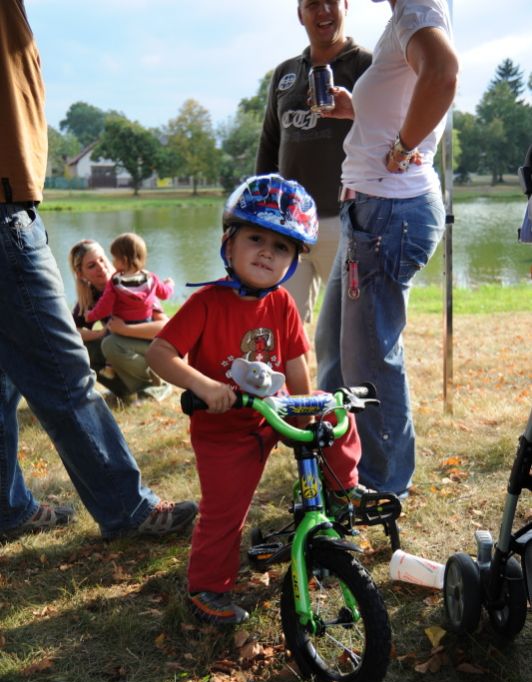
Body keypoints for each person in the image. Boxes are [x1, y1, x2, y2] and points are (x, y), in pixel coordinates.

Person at [0, 0, 197, 541]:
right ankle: (127, 510)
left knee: (2, 380)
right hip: (4, 212)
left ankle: (6, 508)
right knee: (65, 372)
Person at [147, 174, 368, 626]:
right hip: (225, 430)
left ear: (292, 260)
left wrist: (307, 405)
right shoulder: (208, 303)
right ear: (229, 244)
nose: (267, 251)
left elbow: (295, 363)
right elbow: (160, 353)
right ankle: (208, 587)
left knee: (334, 409)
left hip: (275, 414)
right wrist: (204, 387)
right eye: (255, 238)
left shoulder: (283, 304)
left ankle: (345, 493)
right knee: (225, 511)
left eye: (282, 246)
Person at [316, 0, 459, 498]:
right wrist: (354, 107)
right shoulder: (402, 17)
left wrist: (401, 147)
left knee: (371, 359)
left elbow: (442, 74)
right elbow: (406, 93)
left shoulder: (416, 9)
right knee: (335, 351)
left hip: (386, 214)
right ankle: (342, 462)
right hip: (369, 213)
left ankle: (382, 486)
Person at [255, 0, 371, 323]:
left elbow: (391, 130)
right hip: (289, 223)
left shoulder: (369, 66)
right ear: (300, 14)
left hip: (349, 221)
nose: (323, 11)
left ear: (346, 6)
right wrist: (262, 212)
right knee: (282, 324)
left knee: (353, 325)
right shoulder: (285, 74)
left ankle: (351, 377)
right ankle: (295, 377)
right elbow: (269, 144)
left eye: (330, 2)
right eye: (312, 5)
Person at [70, 238, 173, 401]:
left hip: (155, 348)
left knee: (110, 344)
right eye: (92, 265)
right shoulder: (90, 297)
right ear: (81, 274)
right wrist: (101, 333)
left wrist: (124, 329)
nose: (101, 267)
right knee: (80, 350)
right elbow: (70, 332)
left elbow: (164, 328)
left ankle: (157, 386)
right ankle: (126, 391)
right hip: (124, 346)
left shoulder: (132, 283)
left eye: (102, 260)